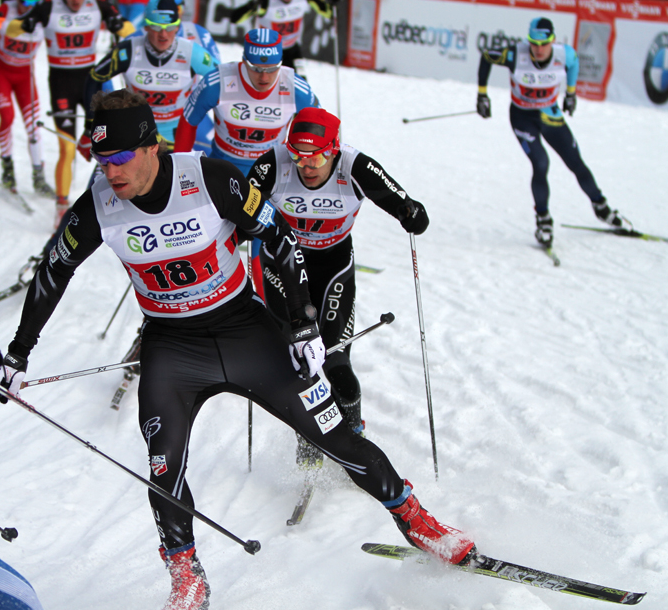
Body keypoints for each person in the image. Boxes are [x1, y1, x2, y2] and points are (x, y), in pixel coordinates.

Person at [0, 90, 475, 610]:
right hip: (171, 347)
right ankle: (187, 577)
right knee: (164, 467)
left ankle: (416, 520)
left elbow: (279, 239)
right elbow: (53, 271)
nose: (111, 172)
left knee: (333, 432)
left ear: (150, 147)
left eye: (119, 160)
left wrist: (300, 324)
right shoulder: (99, 204)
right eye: (101, 161)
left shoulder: (211, 178)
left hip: (247, 332)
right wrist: (17, 353)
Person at [248, 106, 429, 467]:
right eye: (298, 157)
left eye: (316, 157)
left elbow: (406, 206)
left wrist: (411, 214)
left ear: (334, 149)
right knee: (299, 362)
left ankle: (352, 434)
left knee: (336, 364)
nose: (307, 166)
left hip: (333, 267)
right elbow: (242, 204)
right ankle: (310, 437)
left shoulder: (356, 166)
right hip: (282, 267)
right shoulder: (274, 163)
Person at [476, 17, 630, 247]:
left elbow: (574, 63)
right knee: (541, 163)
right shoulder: (515, 54)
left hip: (550, 114)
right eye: (534, 44)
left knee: (576, 162)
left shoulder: (564, 54)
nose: (538, 49)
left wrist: (570, 93)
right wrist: (482, 94)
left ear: (552, 40)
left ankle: (601, 207)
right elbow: (487, 56)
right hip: (522, 117)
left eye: (543, 44)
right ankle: (543, 221)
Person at [11, 0, 135, 227]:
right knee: (67, 148)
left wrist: (120, 25)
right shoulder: (48, 7)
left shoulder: (98, 5)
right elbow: (12, 28)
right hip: (62, 87)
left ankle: (119, 197)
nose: (76, 2)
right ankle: (61, 209)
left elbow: (131, 31)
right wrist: (24, 24)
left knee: (106, 143)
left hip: (92, 85)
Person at [174, 28, 320, 176]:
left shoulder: (297, 89)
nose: (264, 77)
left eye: (271, 69)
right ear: (243, 61)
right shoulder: (218, 82)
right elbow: (188, 121)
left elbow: (319, 131)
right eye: (256, 69)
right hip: (224, 166)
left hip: (273, 170)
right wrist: (181, 170)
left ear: (281, 64)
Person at [81, 0, 218, 153]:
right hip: (136, 130)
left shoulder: (193, 53)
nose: (163, 34)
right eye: (156, 27)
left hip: (175, 133)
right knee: (106, 174)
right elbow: (94, 78)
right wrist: (91, 124)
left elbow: (224, 80)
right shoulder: (129, 49)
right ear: (145, 26)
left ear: (178, 27)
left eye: (170, 27)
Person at [0, 0, 55, 197]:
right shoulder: (7, 8)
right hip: (3, 73)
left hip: (25, 76)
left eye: (29, 3)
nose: (24, 6)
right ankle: (7, 169)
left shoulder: (43, 12)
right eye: (22, 1)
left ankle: (38, 176)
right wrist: (19, 23)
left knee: (33, 126)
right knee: (6, 118)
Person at [230, 0, 336, 79]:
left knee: (301, 83)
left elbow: (329, 13)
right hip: (269, 52)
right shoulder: (266, 3)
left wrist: (331, 5)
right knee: (268, 85)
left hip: (292, 50)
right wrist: (251, 6)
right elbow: (235, 19)